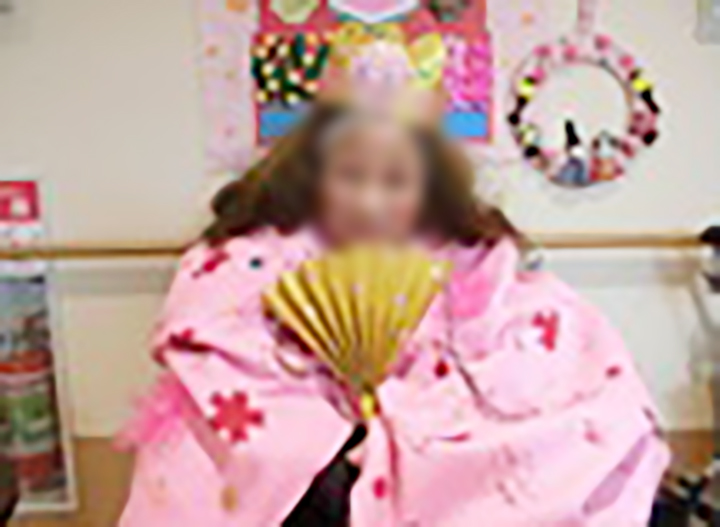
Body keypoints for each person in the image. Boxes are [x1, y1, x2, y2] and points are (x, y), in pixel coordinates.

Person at [118, 25, 669, 527]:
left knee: (586, 424)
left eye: (395, 179)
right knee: (266, 456)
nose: (371, 199)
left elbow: (514, 324)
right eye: (351, 175)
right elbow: (217, 325)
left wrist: (421, 389)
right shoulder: (261, 248)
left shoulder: (466, 250)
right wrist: (330, 393)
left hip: (440, 409)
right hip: (303, 421)